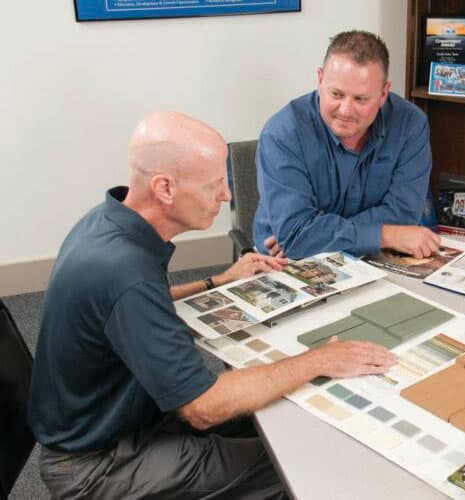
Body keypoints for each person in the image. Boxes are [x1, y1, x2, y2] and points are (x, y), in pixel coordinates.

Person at [27, 111, 396, 499]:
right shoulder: (125, 271)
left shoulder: (107, 223)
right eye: (214, 184)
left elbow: (132, 305)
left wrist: (216, 282)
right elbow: (202, 408)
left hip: (115, 422)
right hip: (98, 465)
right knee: (299, 462)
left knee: (277, 415)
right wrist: (319, 360)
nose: (227, 195)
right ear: (165, 188)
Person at [253, 30, 440, 260]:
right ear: (320, 79)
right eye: (336, 94)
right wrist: (386, 234)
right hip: (286, 262)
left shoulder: (411, 124)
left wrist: (314, 236)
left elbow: (403, 214)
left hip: (370, 258)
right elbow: (296, 237)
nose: (345, 110)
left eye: (360, 99)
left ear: (383, 94)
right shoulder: (282, 134)